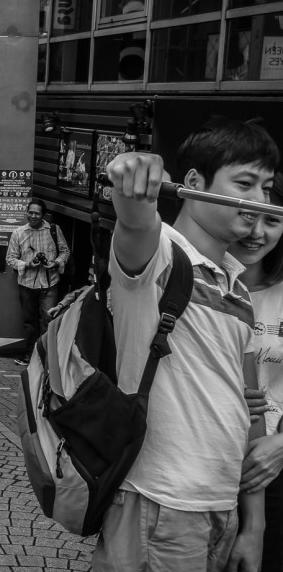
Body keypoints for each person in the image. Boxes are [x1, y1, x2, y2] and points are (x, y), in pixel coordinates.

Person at [95, 118, 278, 571]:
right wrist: (133, 169)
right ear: (193, 183)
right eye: (245, 184)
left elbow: (250, 410)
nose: (259, 200)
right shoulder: (160, 254)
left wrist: (253, 526)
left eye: (267, 188)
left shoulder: (236, 288)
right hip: (160, 502)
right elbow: (135, 218)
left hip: (220, 506)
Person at [228, 176, 283, 571]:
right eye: (248, 216)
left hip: (273, 466)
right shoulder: (196, 285)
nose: (256, 232)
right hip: (207, 463)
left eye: (272, 220)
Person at [5, 198, 70, 366]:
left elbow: (65, 251)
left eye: (37, 213)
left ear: (43, 215)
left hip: (49, 283)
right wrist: (28, 264)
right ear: (26, 212)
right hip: (26, 284)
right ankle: (29, 355)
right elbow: (10, 259)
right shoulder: (18, 233)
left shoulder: (53, 230)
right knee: (29, 323)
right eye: (30, 212)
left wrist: (55, 263)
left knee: (48, 320)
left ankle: (46, 358)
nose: (33, 216)